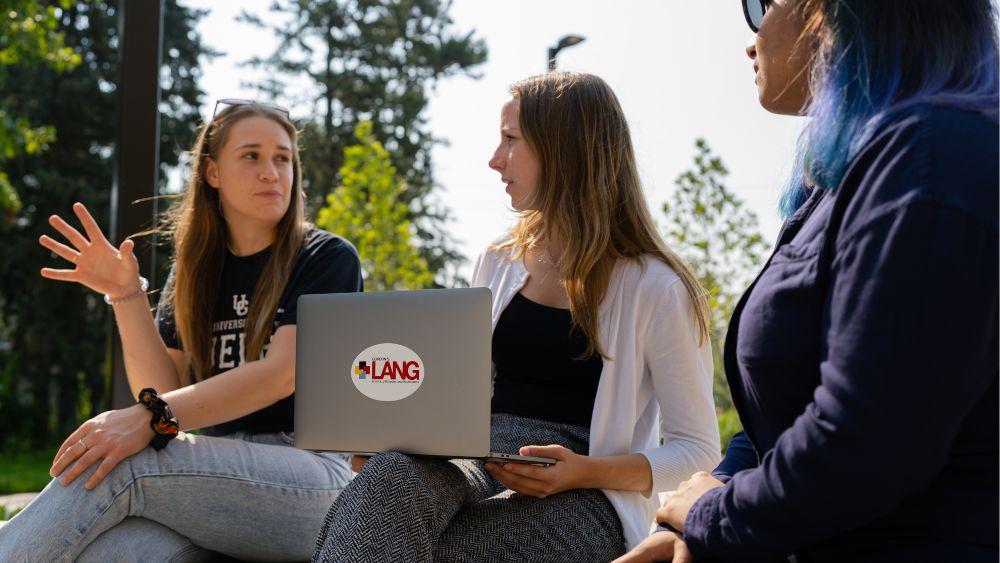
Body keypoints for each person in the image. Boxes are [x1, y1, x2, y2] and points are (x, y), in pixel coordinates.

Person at [619, 1, 999, 561]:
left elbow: (868, 442)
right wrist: (689, 525)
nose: (751, 39)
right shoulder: (854, 174)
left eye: (760, 6)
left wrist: (712, 516)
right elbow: (778, 417)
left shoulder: (933, 157)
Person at [312, 71, 721, 562]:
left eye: (510, 140)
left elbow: (698, 452)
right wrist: (399, 436)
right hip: (478, 453)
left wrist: (583, 471)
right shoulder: (498, 259)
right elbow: (459, 397)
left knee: (456, 552)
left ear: (564, 152)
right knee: (387, 480)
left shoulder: (658, 288)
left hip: (588, 492)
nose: (494, 159)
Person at [0, 101, 362, 562]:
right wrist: (127, 295)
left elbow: (281, 374)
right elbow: (164, 389)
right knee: (117, 549)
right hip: (213, 471)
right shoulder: (194, 271)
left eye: (283, 157)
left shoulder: (326, 257)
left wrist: (148, 416)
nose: (272, 172)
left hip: (315, 478)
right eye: (251, 156)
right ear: (212, 172)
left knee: (120, 460)